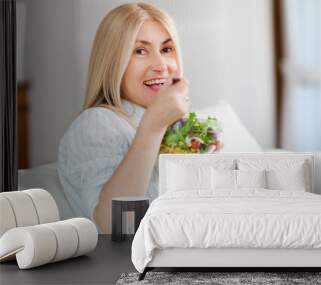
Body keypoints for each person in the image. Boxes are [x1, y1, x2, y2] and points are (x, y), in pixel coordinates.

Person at [58, 3, 222, 233]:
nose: (160, 66)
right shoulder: (97, 123)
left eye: (166, 50)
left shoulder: (175, 131)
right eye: (140, 51)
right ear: (113, 63)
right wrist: (154, 125)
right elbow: (116, 227)